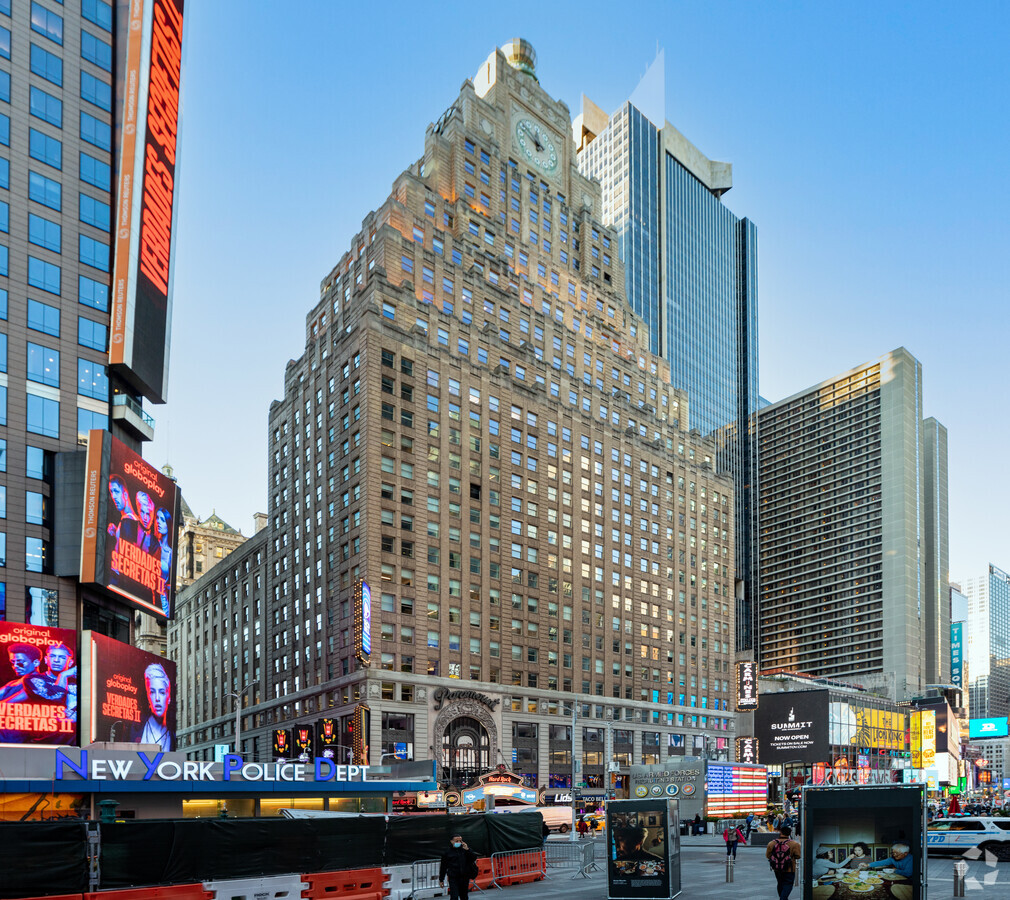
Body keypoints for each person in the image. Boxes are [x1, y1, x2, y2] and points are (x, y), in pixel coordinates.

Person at [133, 663, 173, 750]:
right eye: (152, 692)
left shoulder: (173, 736)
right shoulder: (134, 730)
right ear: (148, 697)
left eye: (162, 692)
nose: (157, 698)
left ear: (168, 697)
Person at [766, 824, 801, 900]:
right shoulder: (794, 844)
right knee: (788, 884)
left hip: (777, 868)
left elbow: (768, 855)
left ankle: (783, 898)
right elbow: (798, 856)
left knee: (780, 883)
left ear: (780, 832)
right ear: (789, 834)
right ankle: (783, 898)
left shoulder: (772, 843)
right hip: (790, 868)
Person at [439, 833, 478, 900]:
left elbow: (473, 858)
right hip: (453, 877)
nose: (459, 842)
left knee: (464, 896)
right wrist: (441, 879)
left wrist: (468, 850)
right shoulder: (447, 852)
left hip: (464, 876)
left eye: (460, 841)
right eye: (456, 841)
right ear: (451, 841)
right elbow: (443, 866)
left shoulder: (465, 849)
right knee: (454, 896)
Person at [154, 506, 173, 616]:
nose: (159, 522)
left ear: (168, 524)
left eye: (163, 520)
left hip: (162, 600)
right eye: (157, 518)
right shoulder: (151, 542)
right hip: (146, 594)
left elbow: (170, 583)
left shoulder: (170, 553)